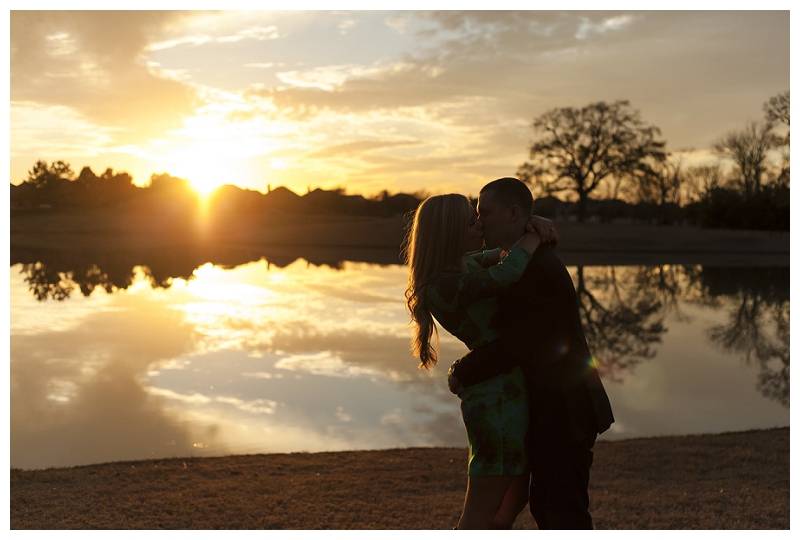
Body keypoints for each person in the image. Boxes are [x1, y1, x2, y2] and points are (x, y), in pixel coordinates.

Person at [447, 177, 615, 530]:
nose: (480, 222)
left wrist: (463, 371)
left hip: (565, 407)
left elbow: (519, 343)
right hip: (557, 405)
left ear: (512, 214)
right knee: (551, 506)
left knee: (561, 512)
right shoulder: (520, 260)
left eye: (485, 213)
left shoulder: (534, 269)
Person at [402, 193, 557, 529]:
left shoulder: (464, 264)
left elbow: (504, 254)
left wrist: (531, 223)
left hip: (507, 389)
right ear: (449, 232)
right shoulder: (443, 284)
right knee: (479, 511)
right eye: (472, 221)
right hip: (492, 397)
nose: (480, 224)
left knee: (515, 498)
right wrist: (532, 237)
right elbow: (506, 273)